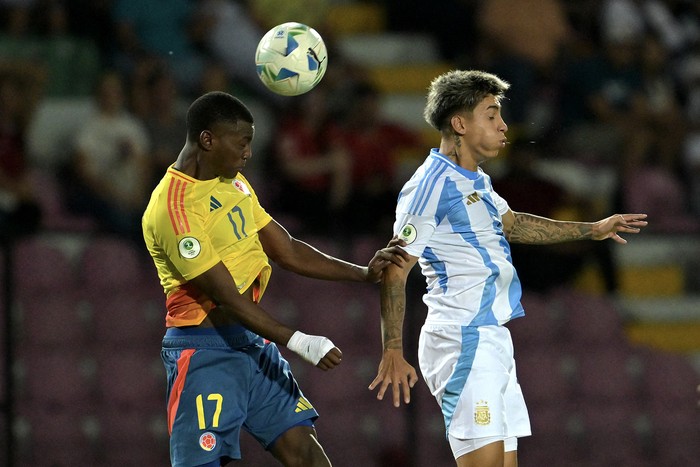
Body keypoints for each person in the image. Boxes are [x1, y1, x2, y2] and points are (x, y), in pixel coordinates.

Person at [368, 70, 648, 467]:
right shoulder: (429, 185)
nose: (503, 126)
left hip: (492, 339)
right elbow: (396, 269)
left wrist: (592, 229)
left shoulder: (476, 180)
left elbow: (513, 224)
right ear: (460, 124)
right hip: (461, 337)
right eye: (492, 115)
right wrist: (393, 348)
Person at [142, 91, 409, 467]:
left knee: (307, 455)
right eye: (243, 143)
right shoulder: (173, 209)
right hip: (204, 352)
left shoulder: (233, 182)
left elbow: (286, 249)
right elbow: (227, 298)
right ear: (208, 140)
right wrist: (299, 341)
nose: (249, 153)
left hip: (250, 343)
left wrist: (363, 273)